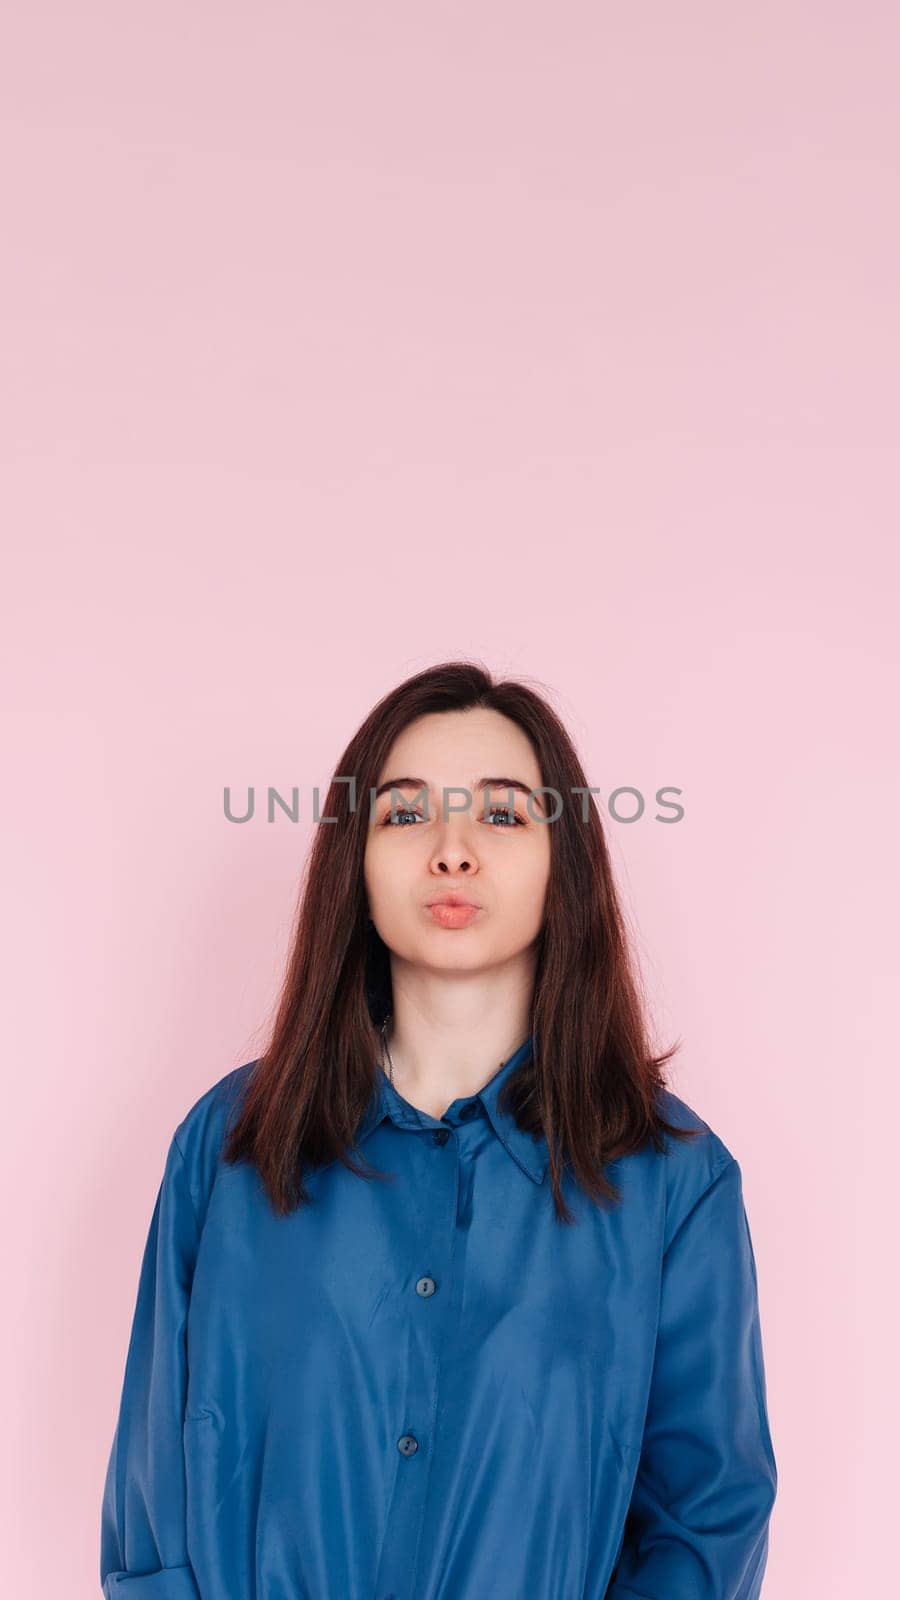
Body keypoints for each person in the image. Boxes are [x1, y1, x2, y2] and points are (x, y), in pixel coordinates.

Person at [100, 660, 777, 1600]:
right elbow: (153, 1506)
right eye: (405, 813)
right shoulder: (231, 1147)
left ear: (563, 864)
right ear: (356, 864)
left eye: (502, 815)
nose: (451, 851)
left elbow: (704, 1521)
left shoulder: (674, 1180)